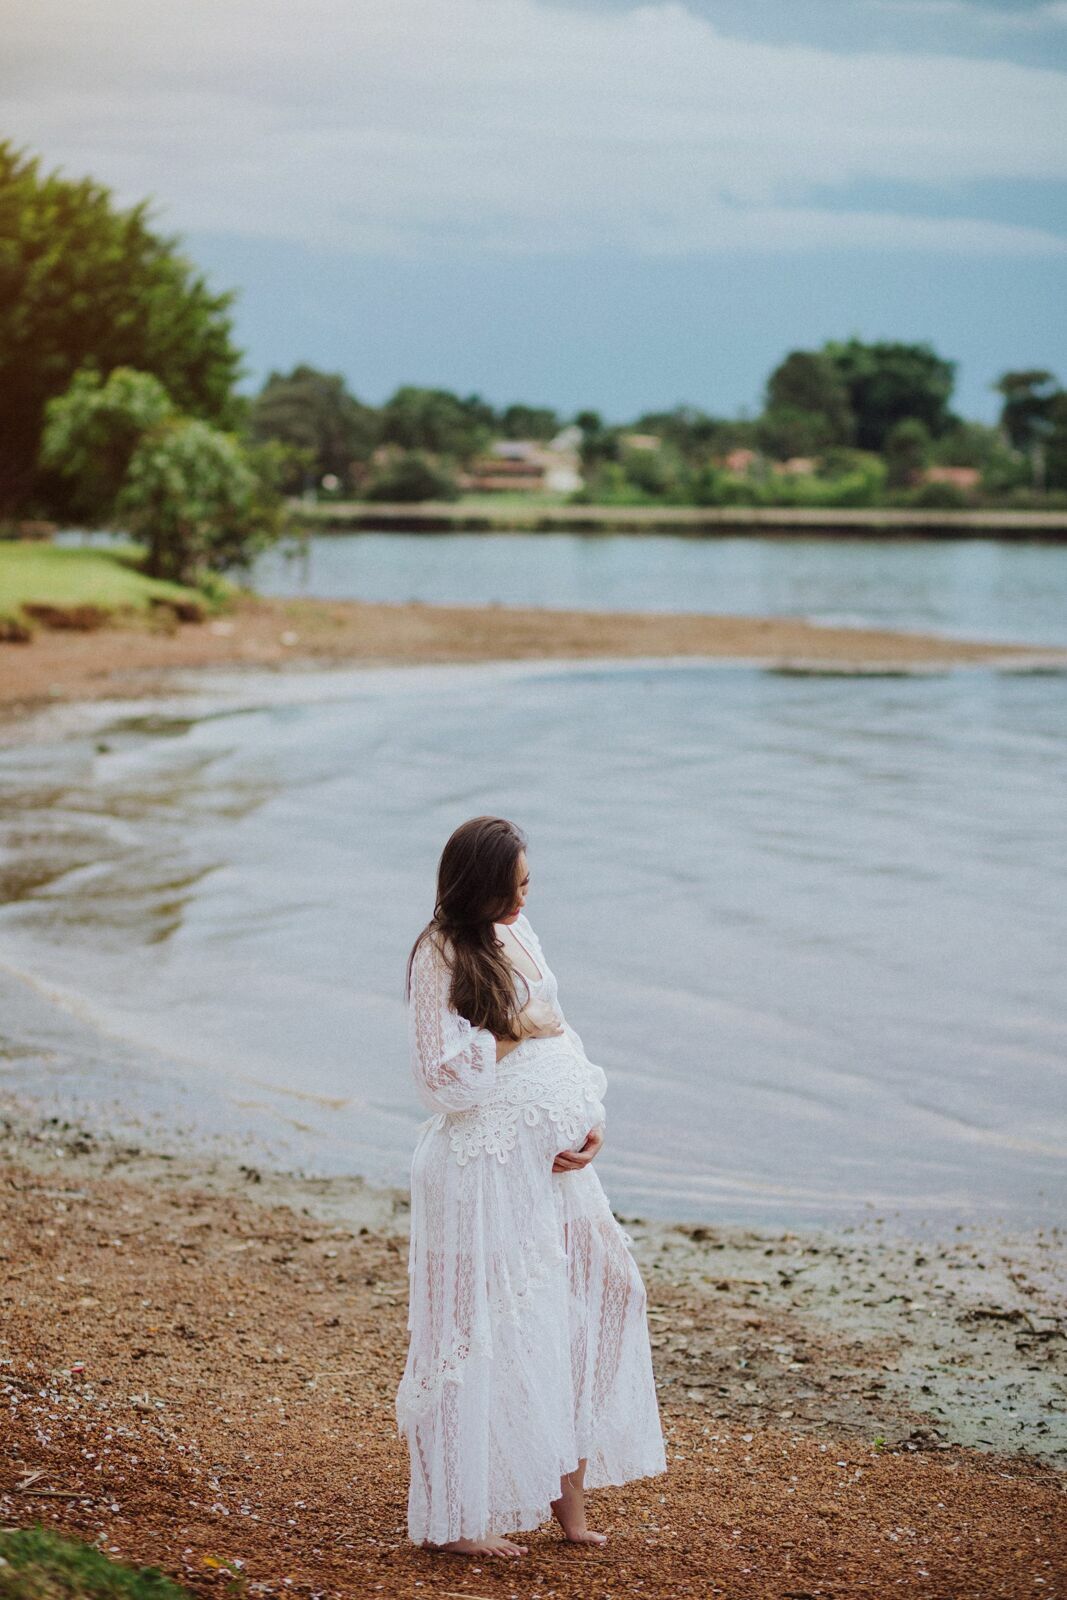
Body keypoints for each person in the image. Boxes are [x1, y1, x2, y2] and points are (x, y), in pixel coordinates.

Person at [395, 815, 666, 1558]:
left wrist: (591, 1121)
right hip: (479, 1171)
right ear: (476, 886)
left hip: (549, 1168)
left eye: (527, 885)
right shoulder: (438, 953)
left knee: (603, 1294)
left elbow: (563, 1034)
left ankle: (565, 1504)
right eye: (511, 887)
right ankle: (455, 1517)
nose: (522, 899)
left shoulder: (517, 932)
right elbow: (438, 1079)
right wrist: (511, 1027)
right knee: (481, 1330)